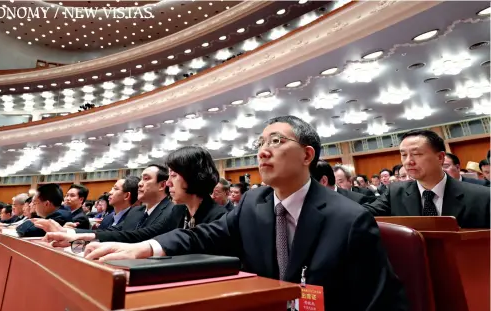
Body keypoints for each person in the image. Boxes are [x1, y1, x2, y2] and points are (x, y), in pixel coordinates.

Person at [77, 116, 408, 311]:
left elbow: (379, 304)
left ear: (307, 155)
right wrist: (144, 249)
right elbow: (205, 234)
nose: (262, 151)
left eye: (276, 141)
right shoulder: (255, 203)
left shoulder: (349, 219)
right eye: (260, 142)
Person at [44, 146, 227, 245]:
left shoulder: (219, 217)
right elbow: (141, 235)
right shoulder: (180, 211)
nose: (170, 183)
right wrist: (75, 236)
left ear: (193, 176)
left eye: (174, 176)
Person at [364, 129, 490, 228]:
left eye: (417, 154)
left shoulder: (482, 197)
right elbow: (363, 214)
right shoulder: (395, 193)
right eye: (403, 155)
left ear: (440, 157)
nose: (408, 161)